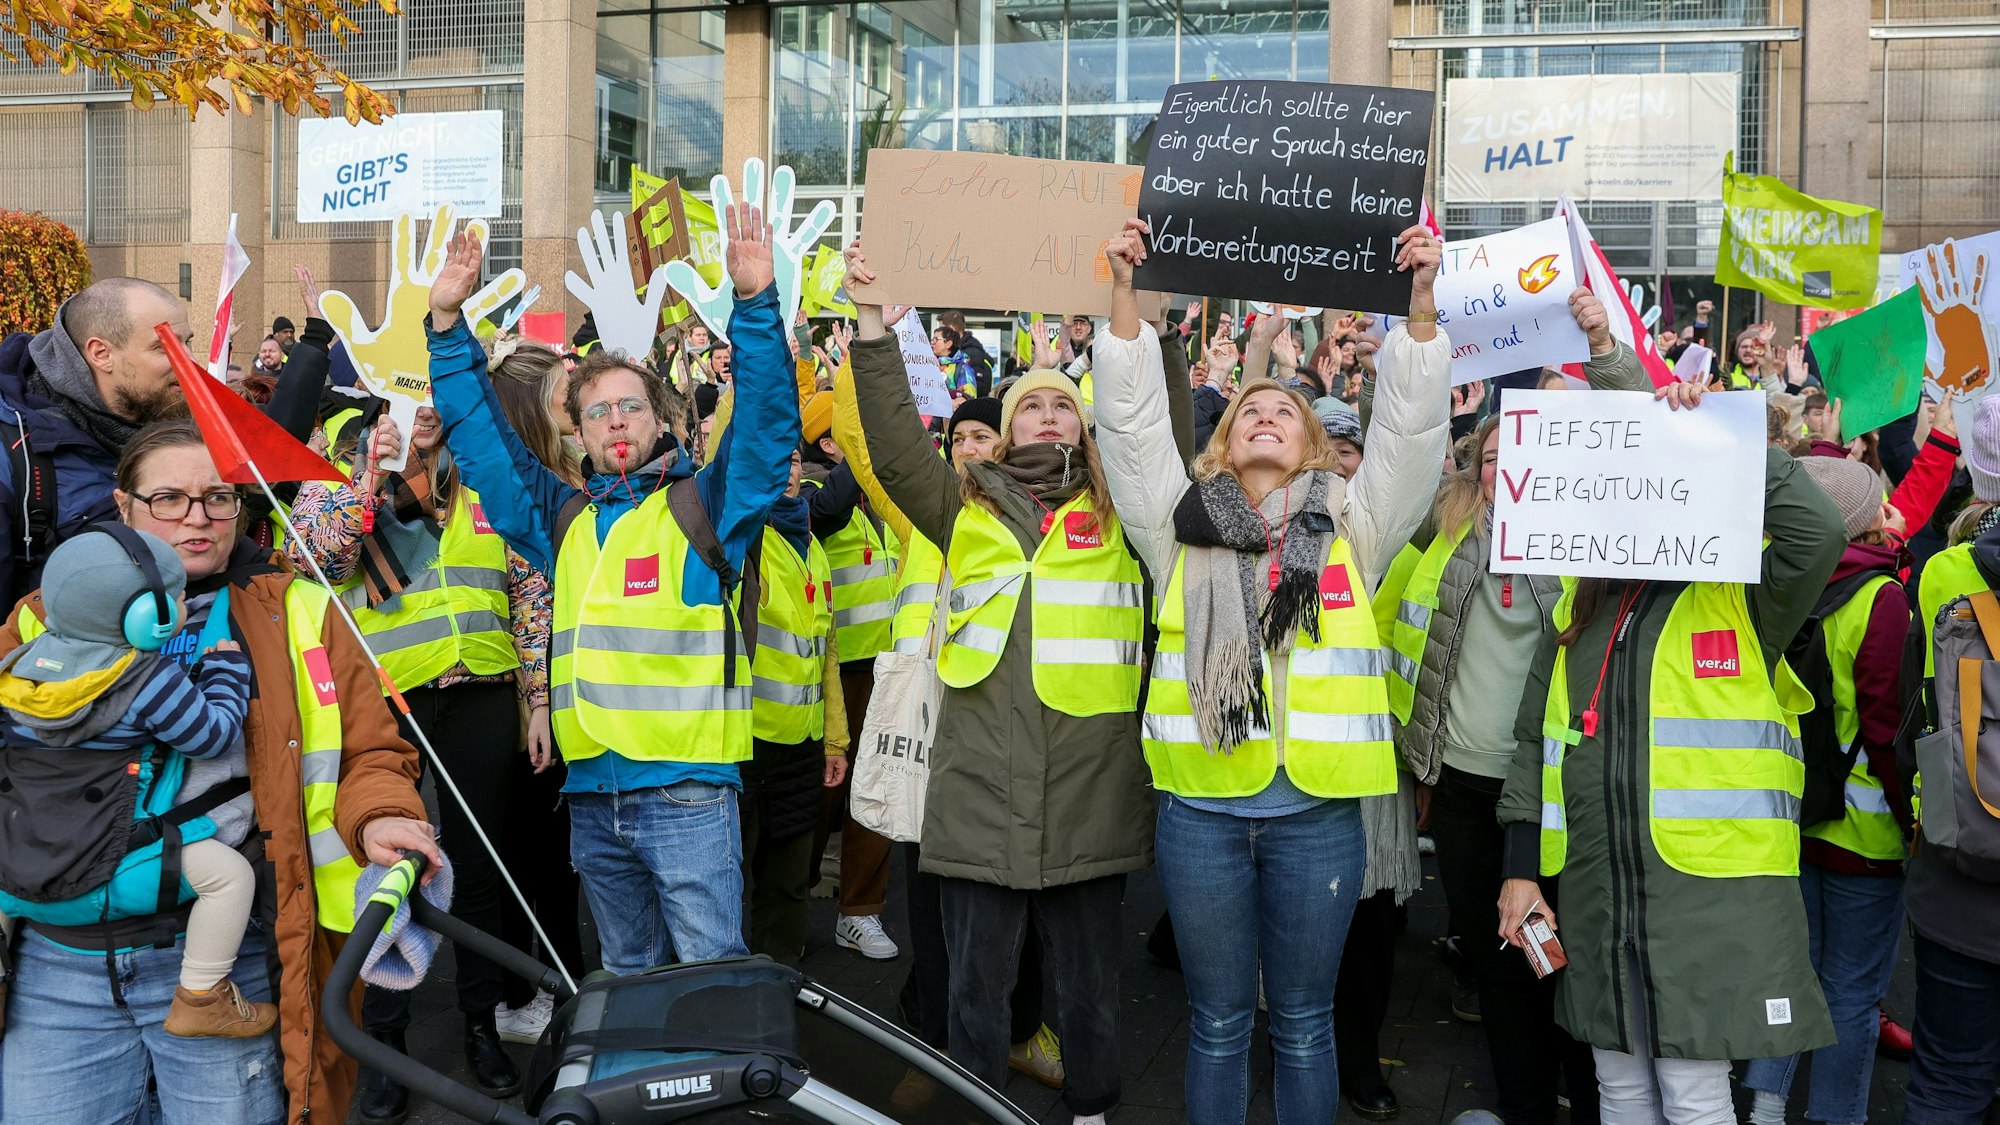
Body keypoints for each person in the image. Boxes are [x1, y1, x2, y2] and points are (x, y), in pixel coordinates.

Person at [1089, 218, 1445, 1125]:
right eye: (1249, 406)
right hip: (1201, 814)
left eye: (1285, 409)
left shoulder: (1353, 529)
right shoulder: (1177, 530)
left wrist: (1419, 312)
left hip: (1317, 819)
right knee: (1213, 1026)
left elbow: (1407, 437)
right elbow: (1130, 431)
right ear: (1221, 442)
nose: (1265, 413)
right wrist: (1124, 300)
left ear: (1316, 450)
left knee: (1303, 1024)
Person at [0, 417, 436, 1125]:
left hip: (223, 957)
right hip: (57, 964)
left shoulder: (301, 611)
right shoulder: (44, 617)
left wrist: (380, 812)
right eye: (168, 498)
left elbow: (372, 752)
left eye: (218, 497)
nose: (196, 518)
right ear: (123, 508)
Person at [424, 205, 793, 976]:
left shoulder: (705, 510)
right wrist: (446, 323)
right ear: (578, 436)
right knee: (628, 976)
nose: (614, 420)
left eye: (630, 406)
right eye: (597, 412)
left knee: (707, 978)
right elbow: (485, 444)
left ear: (661, 419)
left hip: (688, 797)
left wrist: (756, 306)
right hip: (592, 799)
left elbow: (762, 430)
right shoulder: (564, 520)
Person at [845, 241, 1152, 1125]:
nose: (1049, 417)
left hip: (1091, 789)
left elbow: (1150, 420)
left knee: (1090, 983)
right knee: (975, 988)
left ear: (1085, 429)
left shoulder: (1125, 511)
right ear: (1007, 428)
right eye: (1032, 406)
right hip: (979, 788)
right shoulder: (961, 506)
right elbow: (899, 449)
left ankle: (1092, 1108)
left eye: (1065, 405)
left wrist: (1143, 313)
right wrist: (873, 324)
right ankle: (978, 1108)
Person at [1496, 379, 1846, 1125]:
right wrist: (1520, 869)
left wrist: (1727, 432)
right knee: (1619, 1088)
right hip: (1596, 887)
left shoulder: (1739, 594)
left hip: (1707, 895)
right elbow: (1536, 741)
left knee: (1694, 1094)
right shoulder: (1578, 603)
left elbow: (1817, 532)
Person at [1383, 290, 1653, 1125]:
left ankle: (1586, 1092)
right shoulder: (1448, 527)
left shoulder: (1598, 536)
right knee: (1499, 957)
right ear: (1475, 466)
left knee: (1564, 955)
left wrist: (1603, 348)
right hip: (1463, 786)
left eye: (1531, 449)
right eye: (1495, 452)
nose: (1511, 463)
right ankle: (1527, 1102)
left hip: (1551, 797)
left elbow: (1641, 430)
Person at [284, 397, 552, 1117]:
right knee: (386, 870)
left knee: (481, 870)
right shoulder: (335, 477)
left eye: (439, 395)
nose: (426, 410)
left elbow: (528, 592)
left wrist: (539, 700)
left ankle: (480, 1023)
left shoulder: (486, 484)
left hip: (482, 697)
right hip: (382, 705)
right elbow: (314, 559)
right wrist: (371, 477)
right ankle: (384, 1041)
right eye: (409, 394)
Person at [0, 526, 271, 1039]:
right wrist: (225, 672)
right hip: (113, 842)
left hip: (29, 835)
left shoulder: (18, 666)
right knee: (230, 877)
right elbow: (211, 737)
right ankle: (202, 996)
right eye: (173, 598)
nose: (181, 603)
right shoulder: (147, 678)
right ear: (150, 619)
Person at [1741, 456, 1911, 1125]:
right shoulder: (1881, 597)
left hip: (1787, 815)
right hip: (1862, 835)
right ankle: (1837, 1116)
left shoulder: (1775, 577)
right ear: (1867, 517)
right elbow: (1884, 726)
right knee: (1852, 990)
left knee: (1789, 970)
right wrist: (1912, 823)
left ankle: (1766, 1104)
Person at [0, 276, 195, 605]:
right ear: (101, 354)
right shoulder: (14, 453)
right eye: (165, 347)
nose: (188, 360)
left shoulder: (177, 427)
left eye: (188, 342)